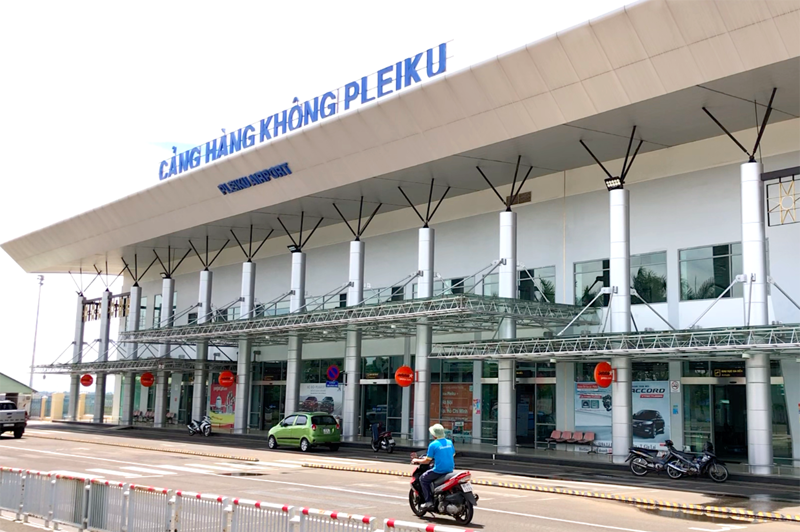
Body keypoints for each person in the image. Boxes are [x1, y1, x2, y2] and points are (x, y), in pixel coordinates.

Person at [412, 423, 455, 510]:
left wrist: (416, 460)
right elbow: (453, 454)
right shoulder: (449, 442)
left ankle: (428, 502)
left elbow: (427, 460)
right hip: (450, 469)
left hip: (439, 470)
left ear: (434, 435)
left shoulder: (433, 444)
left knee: (423, 479)